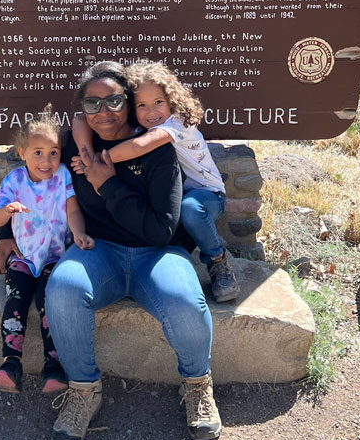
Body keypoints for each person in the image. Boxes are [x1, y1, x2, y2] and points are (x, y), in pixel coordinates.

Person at [0, 61, 221, 440]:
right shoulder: (68, 146)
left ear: (129, 103)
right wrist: (3, 233)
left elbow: (161, 229)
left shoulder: (156, 148)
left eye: (114, 100)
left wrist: (107, 183)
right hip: (99, 253)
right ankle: (83, 390)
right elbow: (33, 181)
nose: (104, 112)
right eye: (92, 103)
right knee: (62, 290)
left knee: (185, 301)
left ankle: (198, 384)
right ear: (81, 108)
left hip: (158, 253)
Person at [72, 60, 239, 302]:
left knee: (190, 209)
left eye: (158, 102)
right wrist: (85, 149)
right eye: (142, 105)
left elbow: (139, 146)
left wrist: (95, 161)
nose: (151, 112)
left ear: (173, 100)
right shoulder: (144, 125)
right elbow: (79, 119)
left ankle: (217, 260)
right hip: (181, 196)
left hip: (207, 194)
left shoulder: (175, 123)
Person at [0, 109, 93, 396]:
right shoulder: (14, 181)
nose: (46, 161)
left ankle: (53, 366)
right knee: (16, 300)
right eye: (37, 152)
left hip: (55, 257)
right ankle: (10, 363)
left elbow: (72, 209)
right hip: (22, 258)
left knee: (49, 303)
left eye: (53, 152)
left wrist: (80, 232)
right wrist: (6, 212)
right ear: (22, 153)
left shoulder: (63, 177)